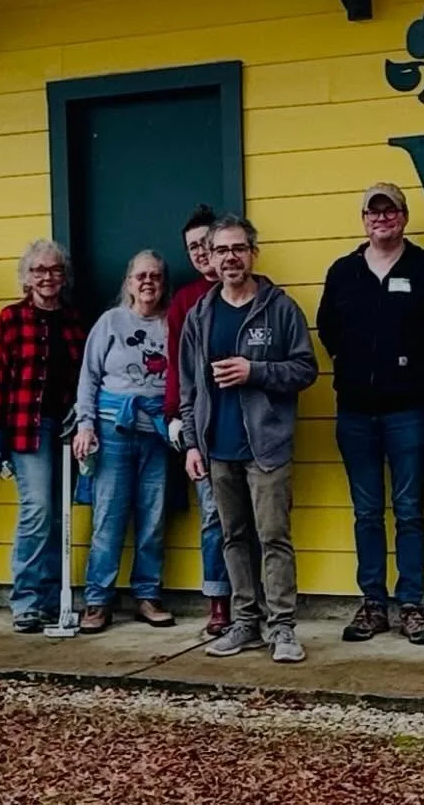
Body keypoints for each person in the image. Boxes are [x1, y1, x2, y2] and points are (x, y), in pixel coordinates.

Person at [317, 182, 424, 646]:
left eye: (389, 211)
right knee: (367, 511)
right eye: (373, 213)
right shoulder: (342, 272)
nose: (381, 219)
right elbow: (330, 331)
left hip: (410, 411)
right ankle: (373, 603)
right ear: (363, 220)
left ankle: (412, 604)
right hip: (355, 411)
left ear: (404, 217)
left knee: (411, 510)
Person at [180, 215, 318, 665]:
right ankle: (245, 623)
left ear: (252, 253)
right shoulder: (200, 314)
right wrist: (192, 444)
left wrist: (253, 371)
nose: (230, 258)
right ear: (211, 258)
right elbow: (187, 388)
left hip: (266, 447)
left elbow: (305, 370)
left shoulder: (280, 309)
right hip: (216, 446)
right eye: (221, 250)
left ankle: (282, 628)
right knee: (233, 537)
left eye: (238, 248)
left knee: (274, 536)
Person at [0, 239, 87, 634]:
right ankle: (25, 600)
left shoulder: (76, 321)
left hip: (69, 429)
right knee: (38, 509)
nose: (48, 277)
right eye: (39, 270)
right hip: (27, 428)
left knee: (61, 514)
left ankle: (52, 600)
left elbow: (85, 376)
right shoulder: (10, 319)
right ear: (27, 277)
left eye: (55, 270)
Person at [74, 250, 175, 632]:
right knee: (108, 519)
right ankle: (98, 601)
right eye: (141, 276)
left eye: (156, 276)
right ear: (129, 282)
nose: (148, 282)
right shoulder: (111, 322)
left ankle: (147, 596)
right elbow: (89, 377)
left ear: (163, 284)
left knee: (152, 519)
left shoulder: (172, 325)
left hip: (157, 436)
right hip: (112, 431)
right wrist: (85, 425)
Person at [163, 203, 231, 637]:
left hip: (247, 429)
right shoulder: (184, 301)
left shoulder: (254, 292)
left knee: (251, 520)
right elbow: (176, 365)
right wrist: (176, 420)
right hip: (203, 428)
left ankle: (252, 600)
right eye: (193, 247)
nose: (202, 252)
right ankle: (218, 602)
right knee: (213, 517)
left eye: (208, 243)